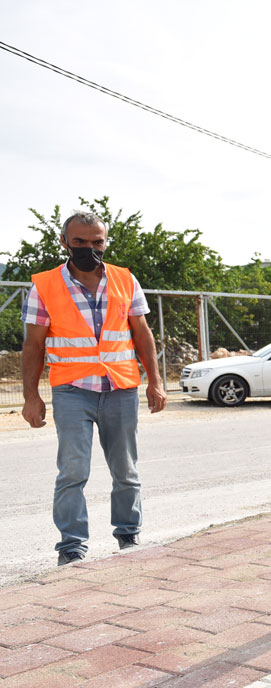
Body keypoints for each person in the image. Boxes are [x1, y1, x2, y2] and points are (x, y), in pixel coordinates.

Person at [21, 210, 166, 566]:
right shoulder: (44, 285)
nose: (89, 248)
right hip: (72, 391)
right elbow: (33, 345)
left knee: (126, 469)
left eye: (97, 242)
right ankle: (72, 546)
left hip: (121, 387)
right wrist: (30, 396)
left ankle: (129, 535)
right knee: (73, 471)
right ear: (64, 242)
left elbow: (141, 333)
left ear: (105, 242)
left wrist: (156, 381)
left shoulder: (124, 280)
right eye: (80, 242)